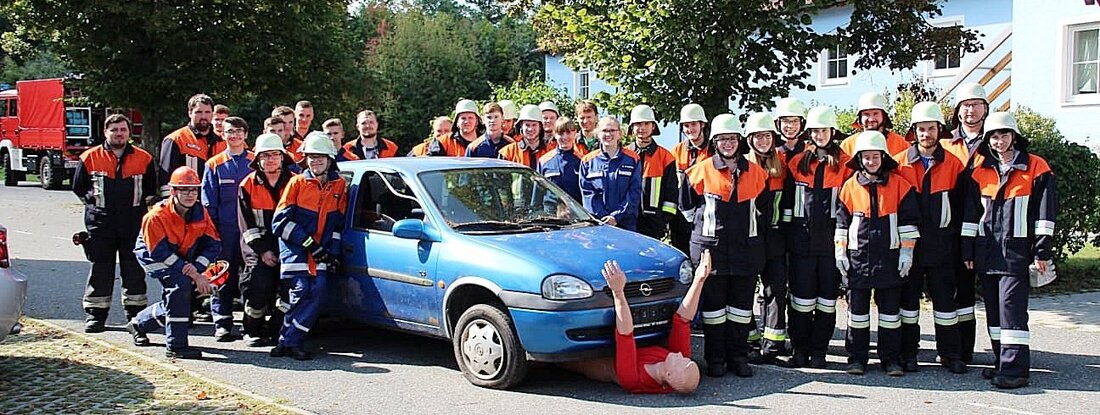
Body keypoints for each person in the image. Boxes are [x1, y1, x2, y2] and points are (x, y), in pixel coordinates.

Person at [960, 112, 1056, 389]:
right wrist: (968, 250)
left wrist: (1041, 251)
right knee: (994, 313)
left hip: (1017, 252)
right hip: (987, 251)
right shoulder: (979, 171)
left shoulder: (1036, 167)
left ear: (1014, 137)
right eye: (993, 136)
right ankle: (1002, 362)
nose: (998, 140)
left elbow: (1045, 215)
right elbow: (970, 215)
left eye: (1004, 135)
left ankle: (1016, 370)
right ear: (988, 139)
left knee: (1011, 310)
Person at [679, 113, 770, 378]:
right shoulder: (699, 171)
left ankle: (738, 357)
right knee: (714, 309)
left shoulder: (757, 173)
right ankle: (716, 359)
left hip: (746, 250)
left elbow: (763, 212)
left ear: (739, 141)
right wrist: (705, 233)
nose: (727, 144)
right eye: (722, 139)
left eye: (732, 139)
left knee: (742, 308)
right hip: (711, 251)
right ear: (715, 141)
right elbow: (686, 210)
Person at [563, 250, 713, 394]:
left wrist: (618, 292)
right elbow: (682, 320)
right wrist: (699, 279)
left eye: (681, 361)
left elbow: (625, 334)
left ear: (668, 375)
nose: (682, 355)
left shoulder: (634, 380)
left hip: (590, 362)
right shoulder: (676, 363)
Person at [835, 130, 921, 377]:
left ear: (884, 157)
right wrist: (840, 253)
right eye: (866, 157)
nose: (871, 161)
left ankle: (890, 360)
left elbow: (908, 225)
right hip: (858, 259)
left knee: (890, 315)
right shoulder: (849, 187)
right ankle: (856, 359)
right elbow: (841, 224)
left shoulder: (901, 186)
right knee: (857, 314)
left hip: (890, 260)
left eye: (875, 156)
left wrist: (907, 254)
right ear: (859, 159)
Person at [893, 102, 968, 374]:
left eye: (931, 128)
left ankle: (950, 354)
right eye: (921, 129)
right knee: (908, 304)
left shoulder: (954, 163)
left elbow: (961, 207)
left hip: (942, 245)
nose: (926, 134)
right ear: (914, 131)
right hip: (909, 245)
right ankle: (908, 354)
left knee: (946, 304)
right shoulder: (900, 163)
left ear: (940, 130)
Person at [72, 114, 157, 332]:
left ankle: (136, 316)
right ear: (105, 132)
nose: (119, 134)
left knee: (134, 270)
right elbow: (79, 188)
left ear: (129, 133)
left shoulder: (144, 158)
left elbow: (150, 189)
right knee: (100, 269)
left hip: (133, 224)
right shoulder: (89, 157)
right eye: (114, 130)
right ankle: (96, 316)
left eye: (123, 130)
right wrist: (96, 209)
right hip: (101, 225)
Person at [781, 106, 851, 368]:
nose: (819, 135)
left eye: (824, 130)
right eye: (815, 130)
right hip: (801, 244)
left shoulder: (845, 164)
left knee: (826, 302)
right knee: (800, 301)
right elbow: (788, 203)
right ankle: (800, 351)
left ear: (832, 132)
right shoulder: (797, 162)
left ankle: (820, 351)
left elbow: (849, 205)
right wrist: (788, 238)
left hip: (831, 244)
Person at [127, 166, 221, 359]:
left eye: (193, 189)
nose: (190, 194)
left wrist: (198, 268)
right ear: (173, 192)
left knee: (178, 294)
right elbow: (159, 252)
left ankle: (139, 324)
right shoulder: (156, 216)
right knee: (180, 287)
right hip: (154, 255)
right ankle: (176, 346)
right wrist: (194, 274)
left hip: (181, 255)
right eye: (184, 189)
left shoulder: (200, 212)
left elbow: (213, 244)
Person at [271, 132, 347, 360]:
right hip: (295, 250)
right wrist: (309, 244)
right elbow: (280, 222)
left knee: (319, 291)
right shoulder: (296, 183)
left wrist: (332, 253)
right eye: (311, 157)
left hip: (320, 252)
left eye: (320, 157)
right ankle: (290, 341)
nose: (315, 161)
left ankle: (288, 340)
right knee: (301, 291)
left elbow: (337, 224)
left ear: (330, 159)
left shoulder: (339, 185)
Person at [942, 82, 990, 364]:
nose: (970, 110)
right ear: (957, 111)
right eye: (965, 106)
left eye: (975, 104)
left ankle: (967, 349)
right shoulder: (947, 144)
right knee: (951, 287)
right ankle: (952, 349)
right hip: (948, 228)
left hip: (983, 227)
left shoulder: (996, 141)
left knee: (969, 289)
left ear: (985, 108)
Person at [238, 133, 296, 347]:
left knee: (287, 292)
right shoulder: (247, 185)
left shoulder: (295, 182)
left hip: (288, 246)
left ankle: (276, 331)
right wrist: (263, 251)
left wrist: (285, 250)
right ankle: (251, 329)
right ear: (258, 160)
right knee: (258, 287)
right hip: (257, 248)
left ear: (282, 157)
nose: (270, 159)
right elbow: (247, 226)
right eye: (265, 156)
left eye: (274, 155)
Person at [200, 116, 255, 342]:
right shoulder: (213, 164)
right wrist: (213, 235)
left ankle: (251, 323)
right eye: (230, 131)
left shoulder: (255, 161)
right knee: (222, 276)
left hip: (251, 232)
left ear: (246, 135)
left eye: (239, 131)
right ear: (223, 134)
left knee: (251, 277)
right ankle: (222, 322)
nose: (235, 136)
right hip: (225, 232)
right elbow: (208, 204)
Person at [743, 111, 791, 365]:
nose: (763, 141)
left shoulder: (783, 164)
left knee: (775, 290)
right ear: (749, 139)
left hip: (775, 237)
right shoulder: (742, 166)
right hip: (749, 238)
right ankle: (750, 341)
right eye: (757, 136)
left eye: (767, 136)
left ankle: (773, 345)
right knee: (746, 290)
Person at [624, 104, 677, 240]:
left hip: (653, 225)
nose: (642, 128)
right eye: (638, 124)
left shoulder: (666, 157)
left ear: (653, 126)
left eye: (646, 123)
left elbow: (671, 193)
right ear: (632, 128)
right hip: (626, 220)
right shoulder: (623, 155)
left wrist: (664, 219)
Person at [579, 117, 642, 231]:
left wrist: (616, 216)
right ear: (597, 133)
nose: (608, 134)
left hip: (626, 225)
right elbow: (587, 194)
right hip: (598, 224)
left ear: (619, 134)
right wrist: (603, 218)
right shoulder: (587, 161)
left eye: (612, 130)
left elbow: (635, 192)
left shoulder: (633, 159)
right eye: (604, 130)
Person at [158, 94, 225, 197]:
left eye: (207, 112)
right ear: (190, 113)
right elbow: (166, 180)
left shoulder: (222, 142)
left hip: (215, 204)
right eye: (198, 112)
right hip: (187, 203)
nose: (203, 116)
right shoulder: (175, 140)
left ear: (212, 114)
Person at [669, 103, 711, 255]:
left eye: (693, 124)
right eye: (686, 125)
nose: (690, 129)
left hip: (705, 212)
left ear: (702, 124)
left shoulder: (713, 151)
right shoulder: (676, 151)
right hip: (681, 215)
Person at [839, 92, 910, 157]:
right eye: (866, 114)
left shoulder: (902, 144)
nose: (871, 119)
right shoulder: (847, 146)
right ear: (860, 118)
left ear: (884, 116)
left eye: (876, 114)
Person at [537, 117, 586, 203]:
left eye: (568, 132)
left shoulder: (582, 161)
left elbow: (587, 193)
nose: (565, 137)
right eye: (560, 133)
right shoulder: (544, 161)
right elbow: (537, 193)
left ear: (575, 133)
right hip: (551, 212)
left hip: (576, 212)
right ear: (555, 134)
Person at [501, 104, 552, 169]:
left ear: (540, 127)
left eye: (534, 125)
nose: (530, 129)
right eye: (527, 125)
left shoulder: (551, 152)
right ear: (521, 126)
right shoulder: (508, 153)